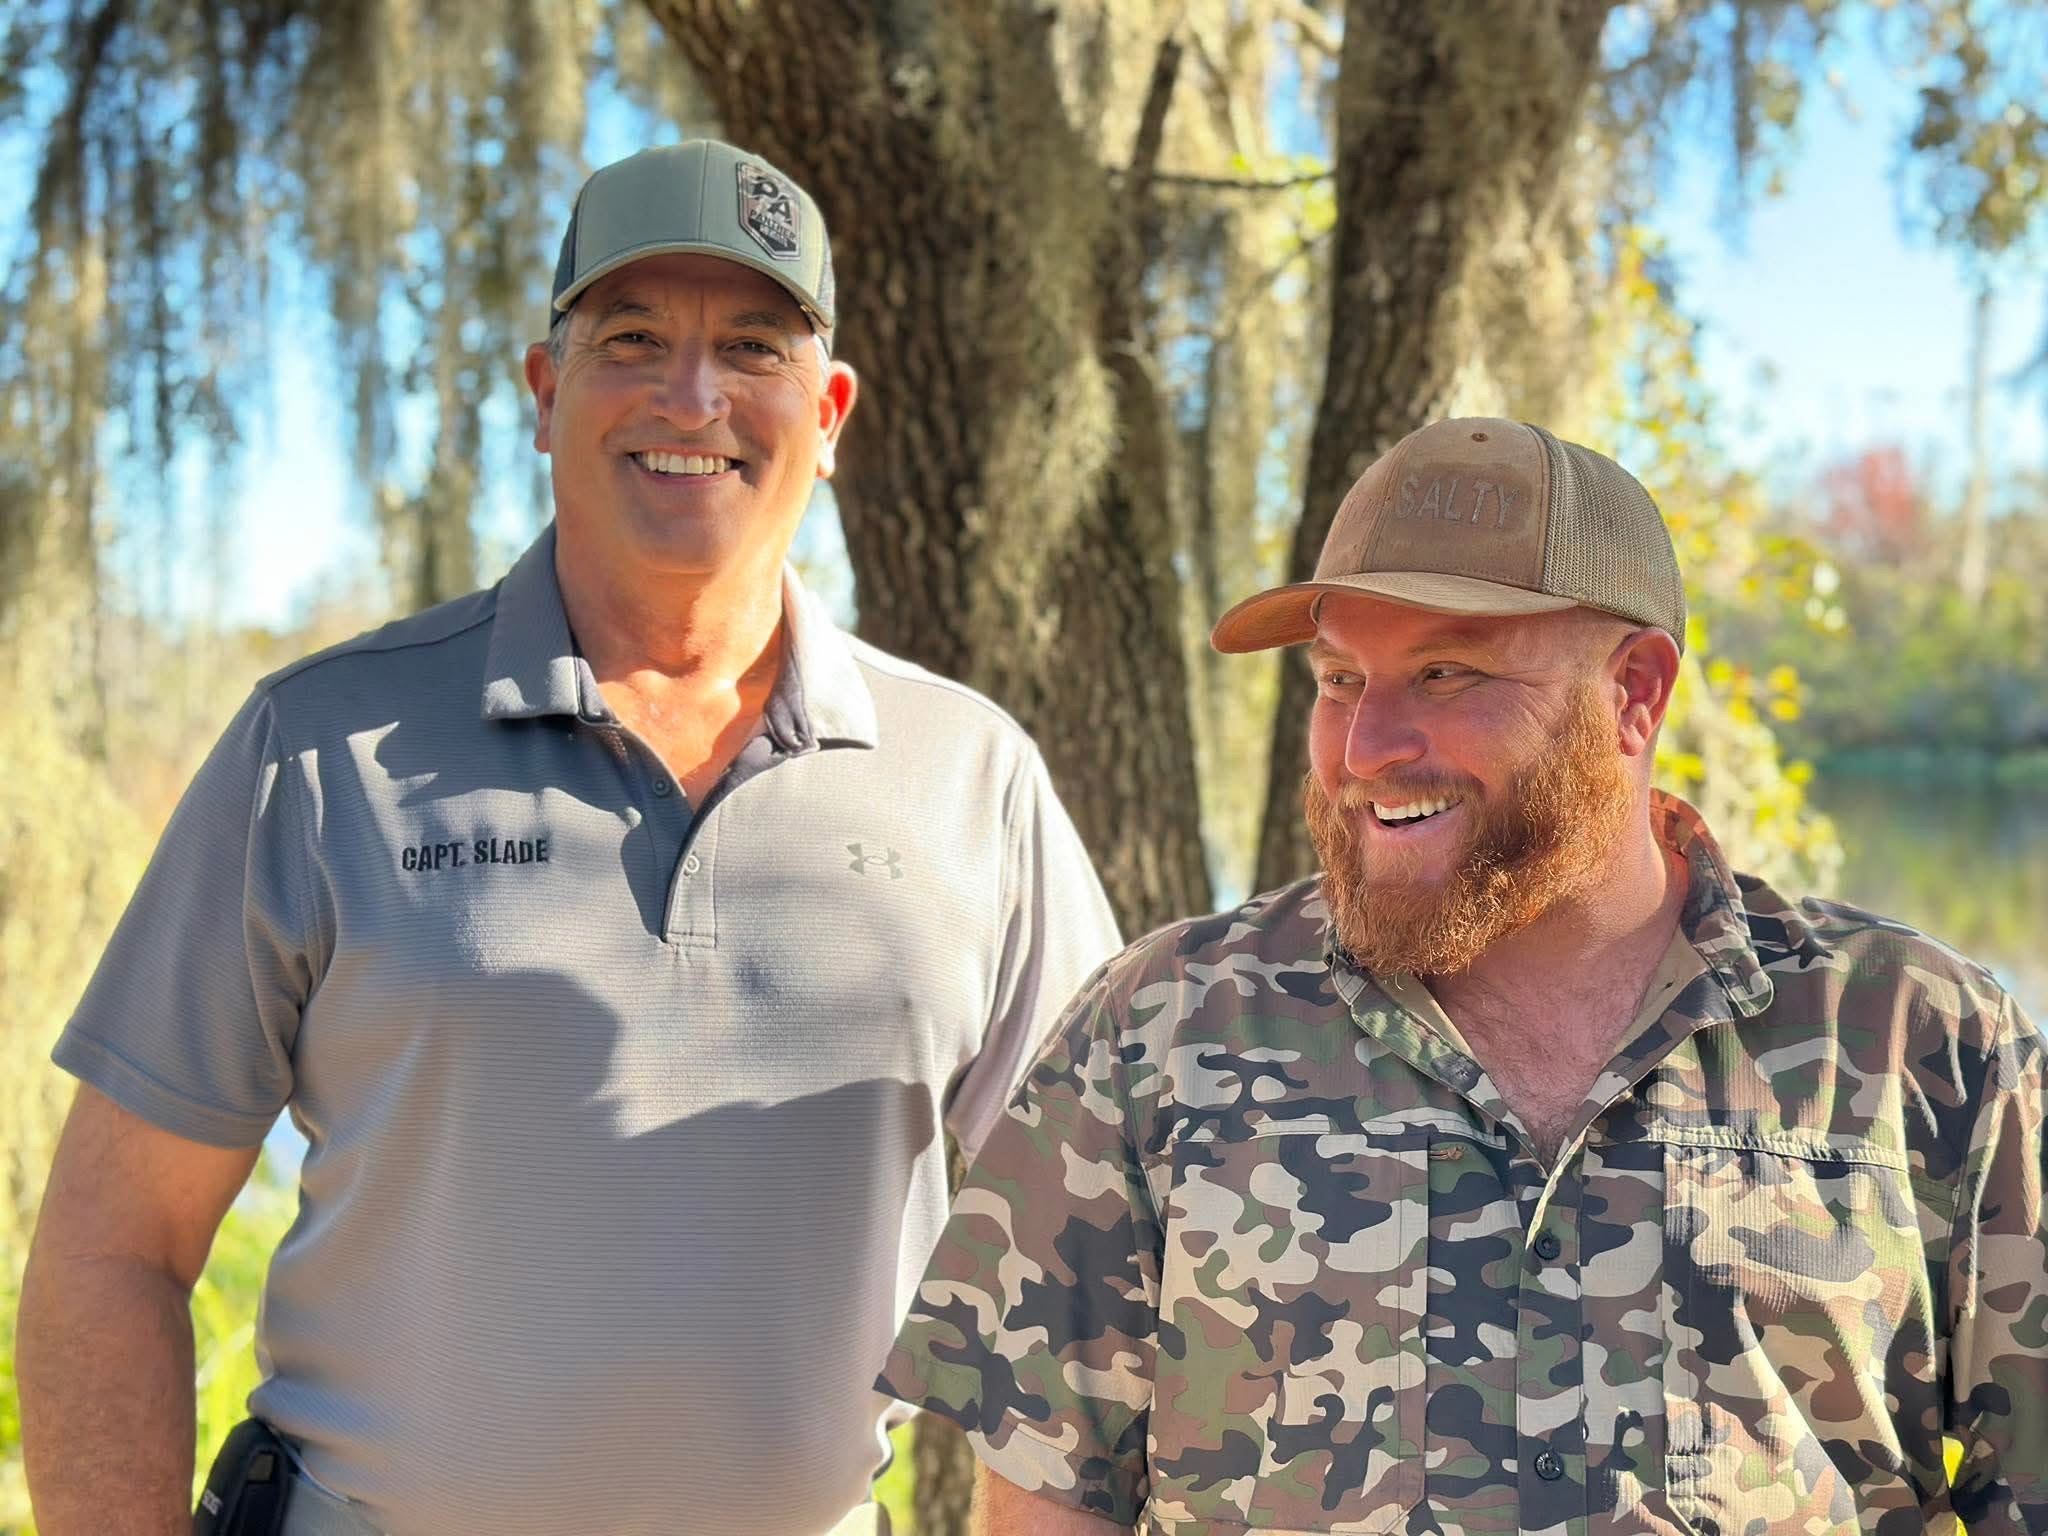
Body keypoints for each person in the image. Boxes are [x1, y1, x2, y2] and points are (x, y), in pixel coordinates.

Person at [17, 139, 1120, 1536]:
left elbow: (1098, 1253)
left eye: (755, 347)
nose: (693, 395)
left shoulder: (974, 782)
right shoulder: (318, 749)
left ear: (829, 412)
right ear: (546, 393)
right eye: (635, 337)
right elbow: (116, 1247)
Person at [878, 417, 2048, 1533]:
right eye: (1338, 680)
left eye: (1444, 675)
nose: (1364, 747)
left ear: (1633, 694)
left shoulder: (1926, 1046)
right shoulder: (1157, 1031)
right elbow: (1051, 1499)